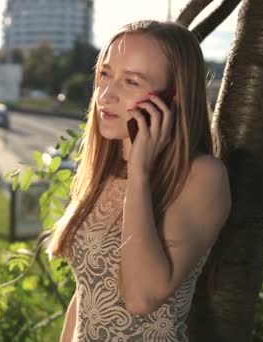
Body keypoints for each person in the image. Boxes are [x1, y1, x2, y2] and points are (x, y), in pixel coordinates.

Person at [45, 20, 232, 341]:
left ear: (172, 99)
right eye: (104, 75)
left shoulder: (202, 177)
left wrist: (140, 171)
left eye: (131, 82)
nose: (106, 94)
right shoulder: (102, 168)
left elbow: (142, 296)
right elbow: (85, 295)